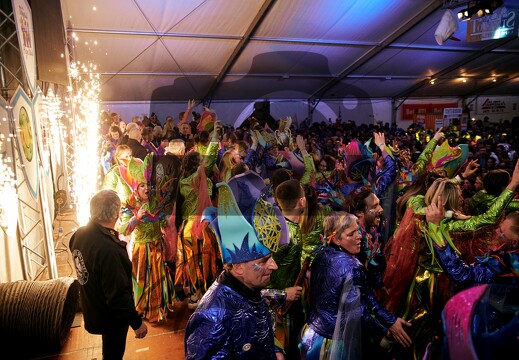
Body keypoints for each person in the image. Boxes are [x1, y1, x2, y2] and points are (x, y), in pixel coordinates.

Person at [184, 174, 289, 359]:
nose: (274, 266)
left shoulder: (249, 288)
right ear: (239, 267)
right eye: (264, 261)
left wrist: (274, 351)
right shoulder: (213, 317)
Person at [300, 212, 411, 359]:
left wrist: (389, 321)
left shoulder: (321, 255)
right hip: (329, 346)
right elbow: (358, 311)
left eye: (358, 230)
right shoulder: (352, 266)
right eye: (351, 234)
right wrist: (386, 329)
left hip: (309, 335)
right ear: (337, 239)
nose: (359, 236)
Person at [69, 190, 147, 359]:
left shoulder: (79, 234)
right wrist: (137, 323)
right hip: (111, 316)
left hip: (93, 307)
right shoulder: (109, 250)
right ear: (116, 214)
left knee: (109, 350)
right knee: (114, 353)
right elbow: (118, 296)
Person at [119, 155, 175, 322]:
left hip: (157, 246)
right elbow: (123, 230)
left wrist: (163, 218)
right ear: (136, 188)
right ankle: (144, 308)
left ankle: (159, 308)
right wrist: (136, 218)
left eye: (148, 185)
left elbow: (164, 222)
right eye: (142, 186)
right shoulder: (129, 205)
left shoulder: (157, 201)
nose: (146, 189)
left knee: (159, 278)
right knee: (143, 280)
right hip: (142, 250)